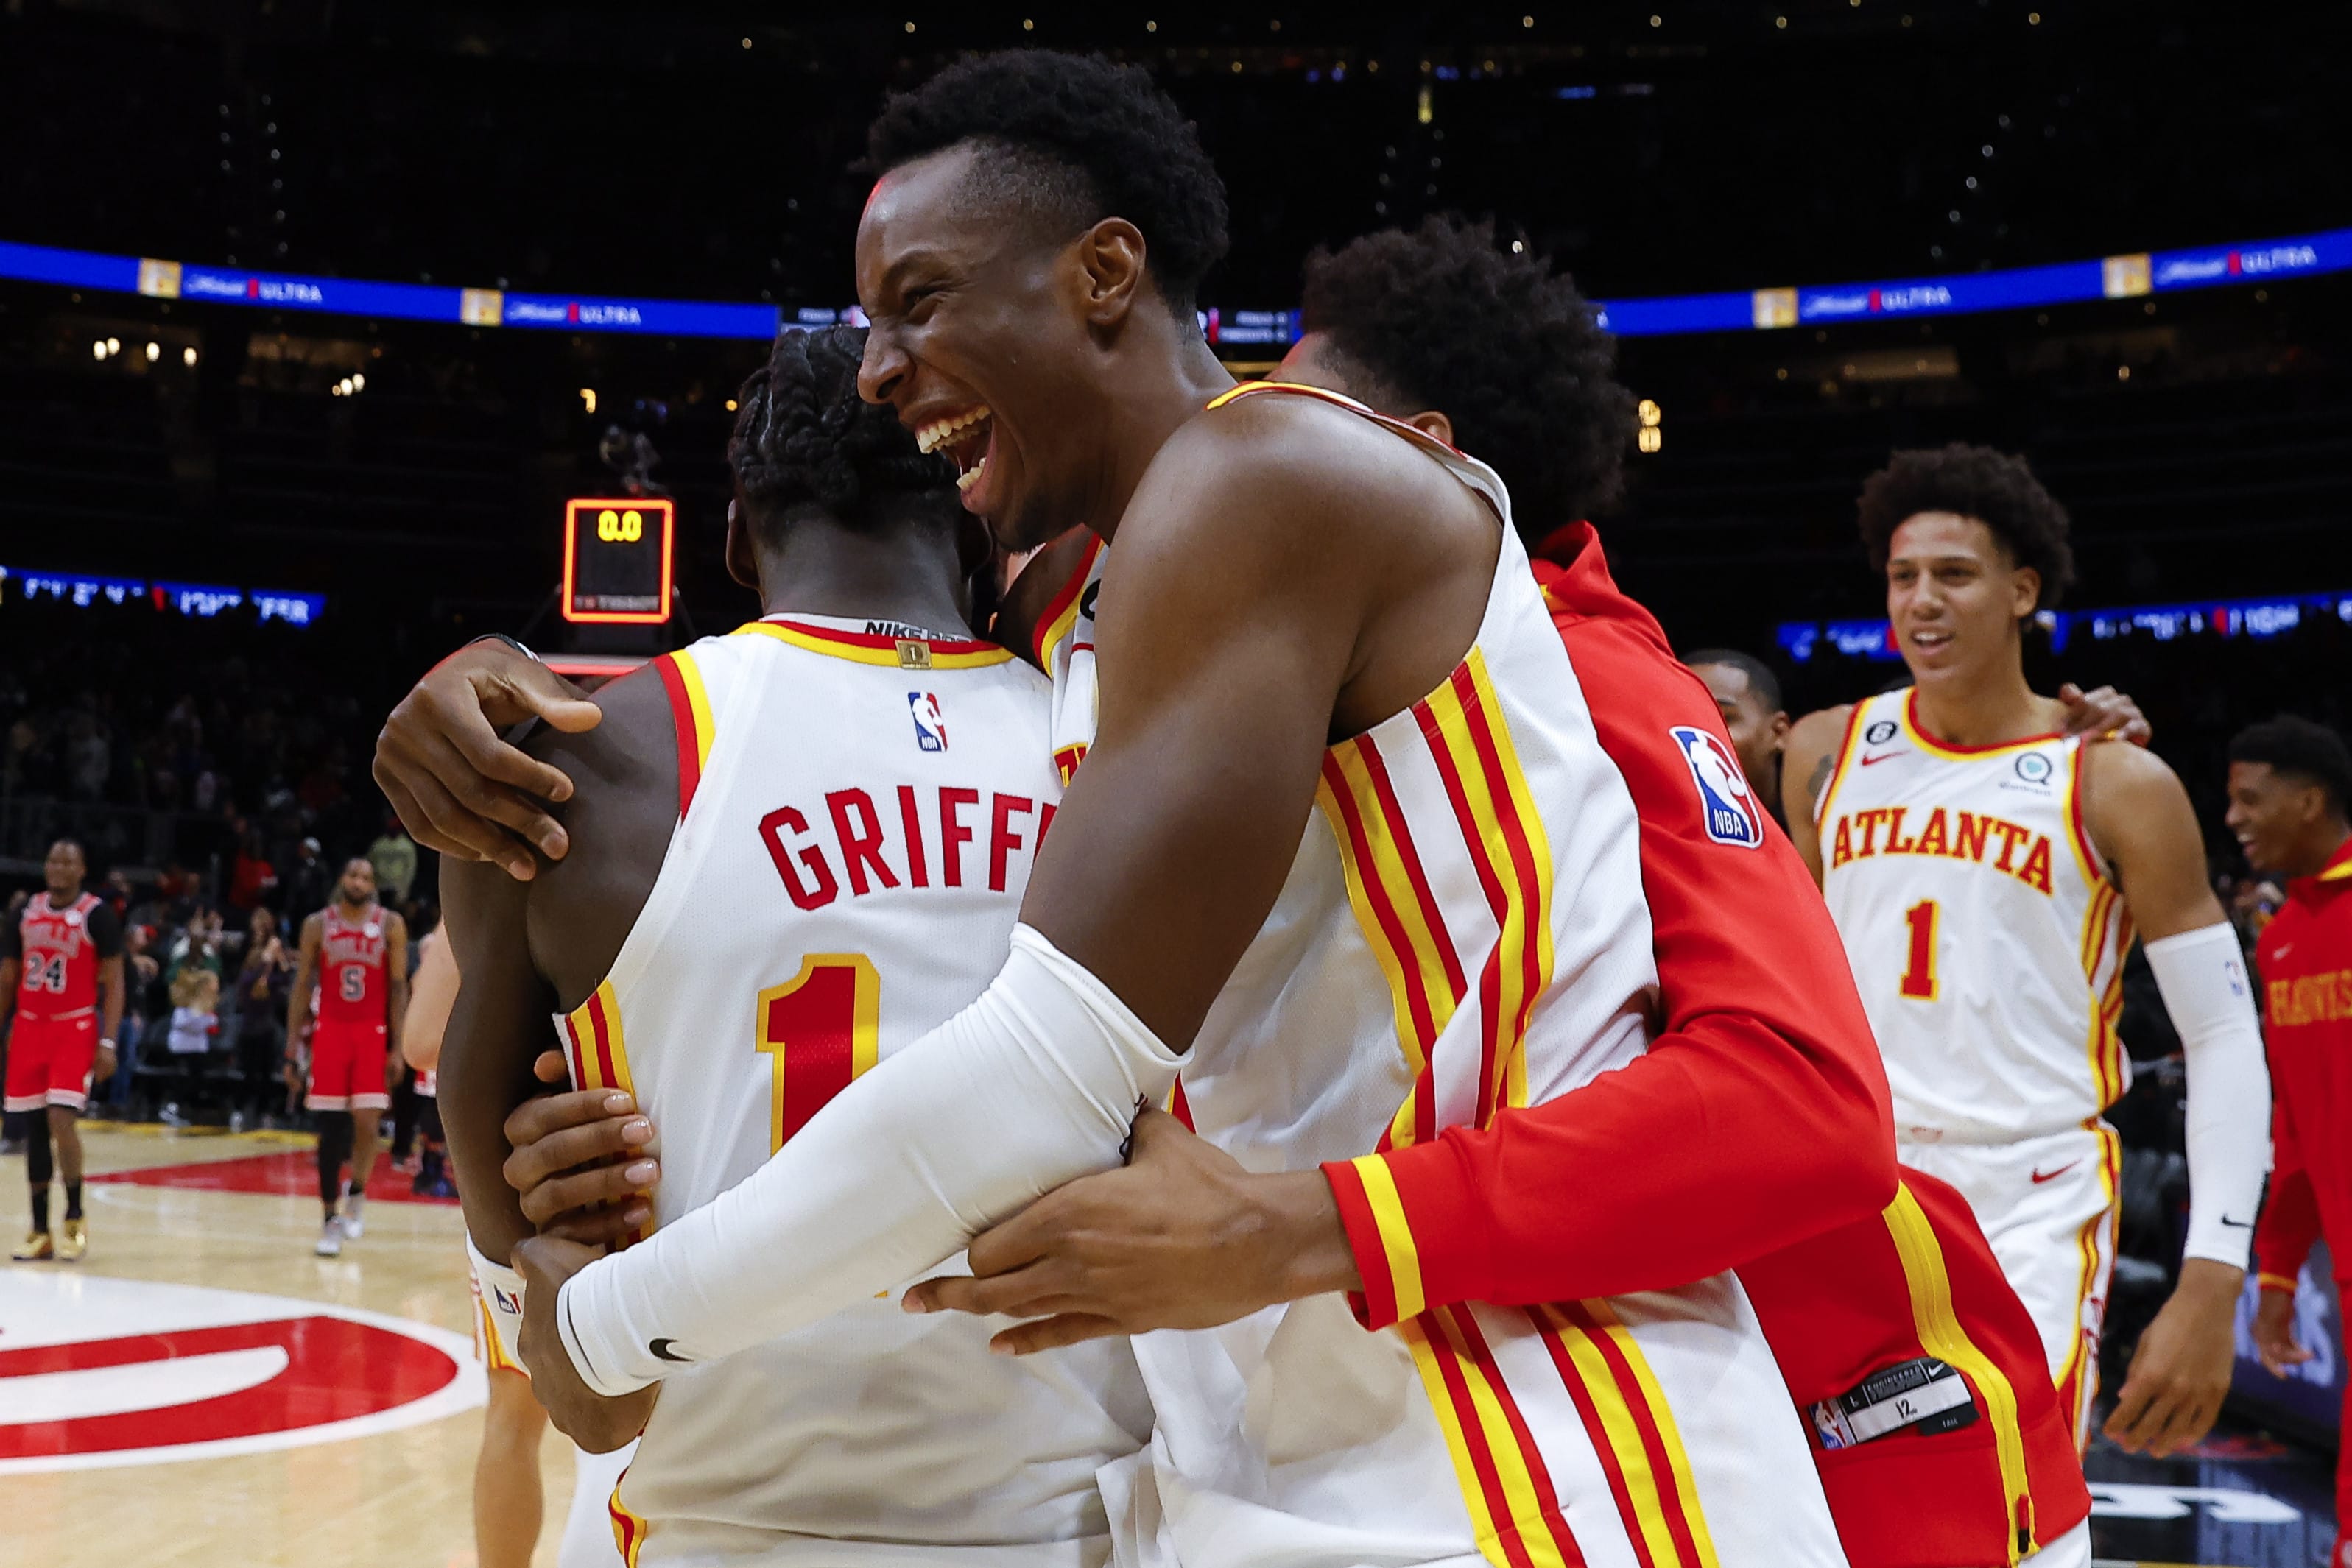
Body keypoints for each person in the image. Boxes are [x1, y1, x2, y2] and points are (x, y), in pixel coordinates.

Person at [385, 52, 1917, 1567]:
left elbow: (1034, 1081)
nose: (874, 373)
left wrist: (597, 1326)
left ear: (1104, 272)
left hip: (1534, 1459)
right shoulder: (1095, 616)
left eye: (917, 304)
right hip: (1289, 1452)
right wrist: (475, 685)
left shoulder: (1262, 470)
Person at [1253, 216, 2089, 1567]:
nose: (1238, 450)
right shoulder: (1380, 683)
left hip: (1853, 1378)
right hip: (1584, 1361)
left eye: (1284, 409)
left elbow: (1806, 1101)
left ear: (1412, 447)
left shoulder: (1581, 685)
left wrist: (1319, 1231)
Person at [437, 324, 1150, 1563]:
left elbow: (561, 1353)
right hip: (1065, 1525)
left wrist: (546, 1279)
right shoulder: (1114, 754)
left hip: (712, 1519)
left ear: (730, 538)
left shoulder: (574, 769)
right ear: (981, 529)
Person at [1778, 443, 2272, 1457]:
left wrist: (2212, 1271)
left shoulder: (2117, 782)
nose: (1922, 601)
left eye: (1953, 576)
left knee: (2003, 1512)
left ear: (2020, 591)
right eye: (1902, 577)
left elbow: (2222, 1029)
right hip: (1848, 1184)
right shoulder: (1825, 750)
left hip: (2027, 1194)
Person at [2225, 716, 2352, 1568]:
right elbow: (2294, 1132)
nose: (2231, 817)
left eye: (2247, 798)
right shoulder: (2279, 941)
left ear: (2308, 800)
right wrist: (2274, 1275)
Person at [1, 838, 124, 1261]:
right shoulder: (23, 911)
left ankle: (74, 1216)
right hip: (30, 1028)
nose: (58, 866)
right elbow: (8, 976)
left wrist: (108, 1040)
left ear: (81, 868)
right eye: (52, 859)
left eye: (67, 860)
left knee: (60, 1118)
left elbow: (114, 981)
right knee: (32, 1128)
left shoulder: (97, 915)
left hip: (75, 1026)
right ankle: (39, 1230)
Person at [289, 857, 407, 1257]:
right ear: (342, 878)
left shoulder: (390, 924)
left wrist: (397, 1045)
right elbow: (303, 985)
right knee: (330, 1129)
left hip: (371, 1032)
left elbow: (398, 988)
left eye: (366, 877)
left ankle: (356, 1190)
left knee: (367, 1123)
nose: (358, 881)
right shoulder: (317, 924)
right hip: (330, 1033)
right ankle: (328, 1219)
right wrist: (293, 1044)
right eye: (353, 874)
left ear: (373, 885)